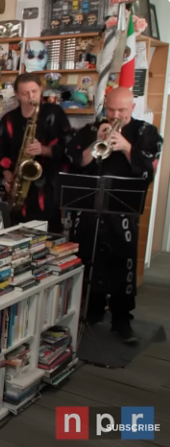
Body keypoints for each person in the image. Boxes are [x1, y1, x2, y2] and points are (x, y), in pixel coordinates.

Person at [65, 88, 162, 343]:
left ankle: (122, 320)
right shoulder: (91, 130)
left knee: (122, 263)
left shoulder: (147, 133)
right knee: (87, 257)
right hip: (89, 210)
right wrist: (93, 142)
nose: (115, 115)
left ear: (132, 108)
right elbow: (75, 162)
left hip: (122, 212)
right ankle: (91, 312)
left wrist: (128, 148)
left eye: (121, 110)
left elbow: (147, 173)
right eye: (111, 110)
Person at [0, 73, 72, 231]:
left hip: (47, 190)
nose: (31, 97)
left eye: (35, 91)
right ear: (17, 94)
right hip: (17, 188)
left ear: (41, 90)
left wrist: (43, 150)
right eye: (25, 93)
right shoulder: (9, 119)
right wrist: (6, 173)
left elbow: (69, 148)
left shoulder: (54, 113)